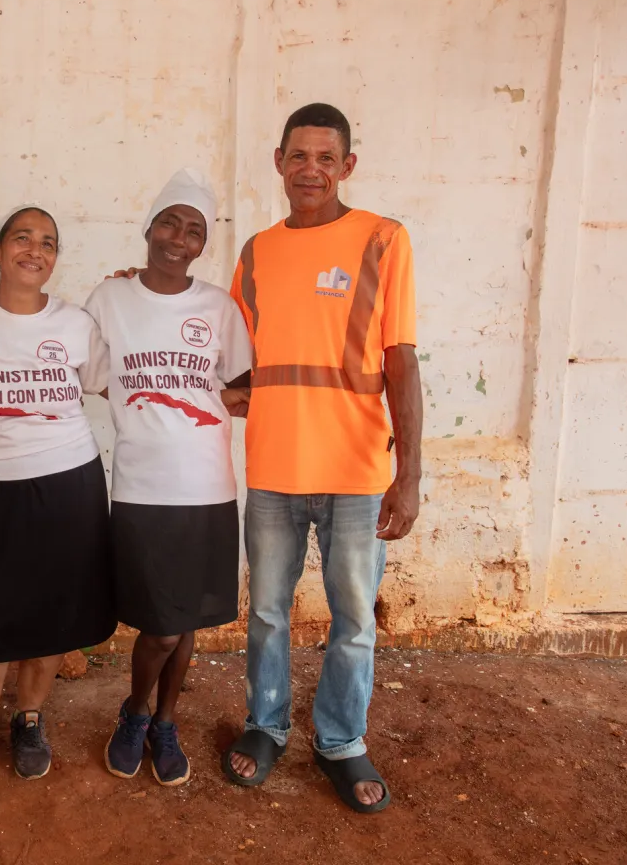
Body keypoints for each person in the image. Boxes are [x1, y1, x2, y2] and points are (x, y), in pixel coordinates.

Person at [220, 103, 422, 815]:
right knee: (269, 614)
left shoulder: (381, 241)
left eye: (325, 158)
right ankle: (266, 725)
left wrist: (412, 476)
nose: (311, 170)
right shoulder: (254, 252)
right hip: (273, 467)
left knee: (353, 619)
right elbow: (240, 358)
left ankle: (340, 741)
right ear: (278, 162)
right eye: (298, 156)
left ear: (347, 166)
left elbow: (401, 362)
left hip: (358, 472)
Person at [86, 169, 253, 788]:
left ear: (203, 243)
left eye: (193, 230)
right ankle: (132, 712)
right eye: (169, 223)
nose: (178, 238)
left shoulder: (217, 307)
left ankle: (164, 720)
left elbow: (241, 384)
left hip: (208, 483)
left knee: (186, 620)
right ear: (149, 228)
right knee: (162, 622)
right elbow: (89, 372)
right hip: (142, 485)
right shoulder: (109, 300)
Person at [0, 206, 116, 790]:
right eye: (22, 238)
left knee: (51, 617)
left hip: (71, 486)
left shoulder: (77, 324)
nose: (34, 251)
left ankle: (30, 718)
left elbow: (118, 383)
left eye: (47, 242)